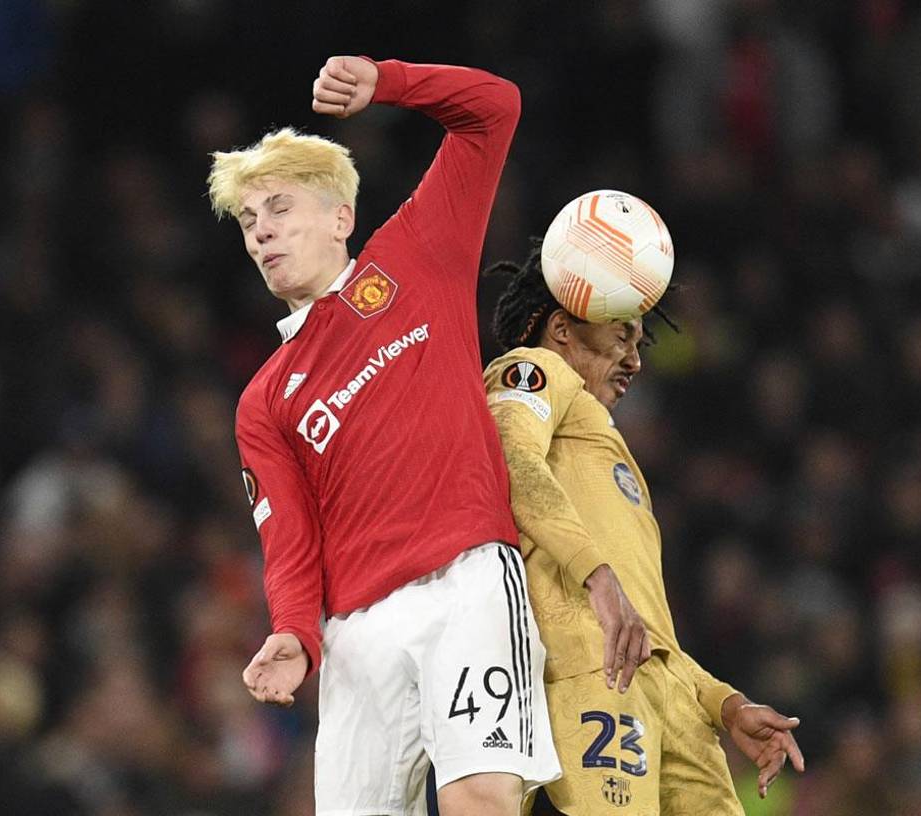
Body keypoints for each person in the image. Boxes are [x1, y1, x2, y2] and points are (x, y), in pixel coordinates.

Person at [206, 57, 560, 816]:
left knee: (481, 800)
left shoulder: (416, 256)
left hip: (465, 580)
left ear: (340, 216)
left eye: (278, 207)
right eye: (248, 221)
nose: (262, 231)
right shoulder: (264, 401)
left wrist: (387, 82)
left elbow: (496, 106)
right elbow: (291, 544)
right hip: (356, 632)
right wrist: (295, 635)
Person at [482, 242, 805, 815]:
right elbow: (512, 456)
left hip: (671, 701)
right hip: (597, 674)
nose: (636, 359)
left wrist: (724, 705)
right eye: (622, 336)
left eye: (638, 341)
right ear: (560, 328)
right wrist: (597, 576)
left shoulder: (608, 455)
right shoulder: (532, 370)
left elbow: (650, 632)